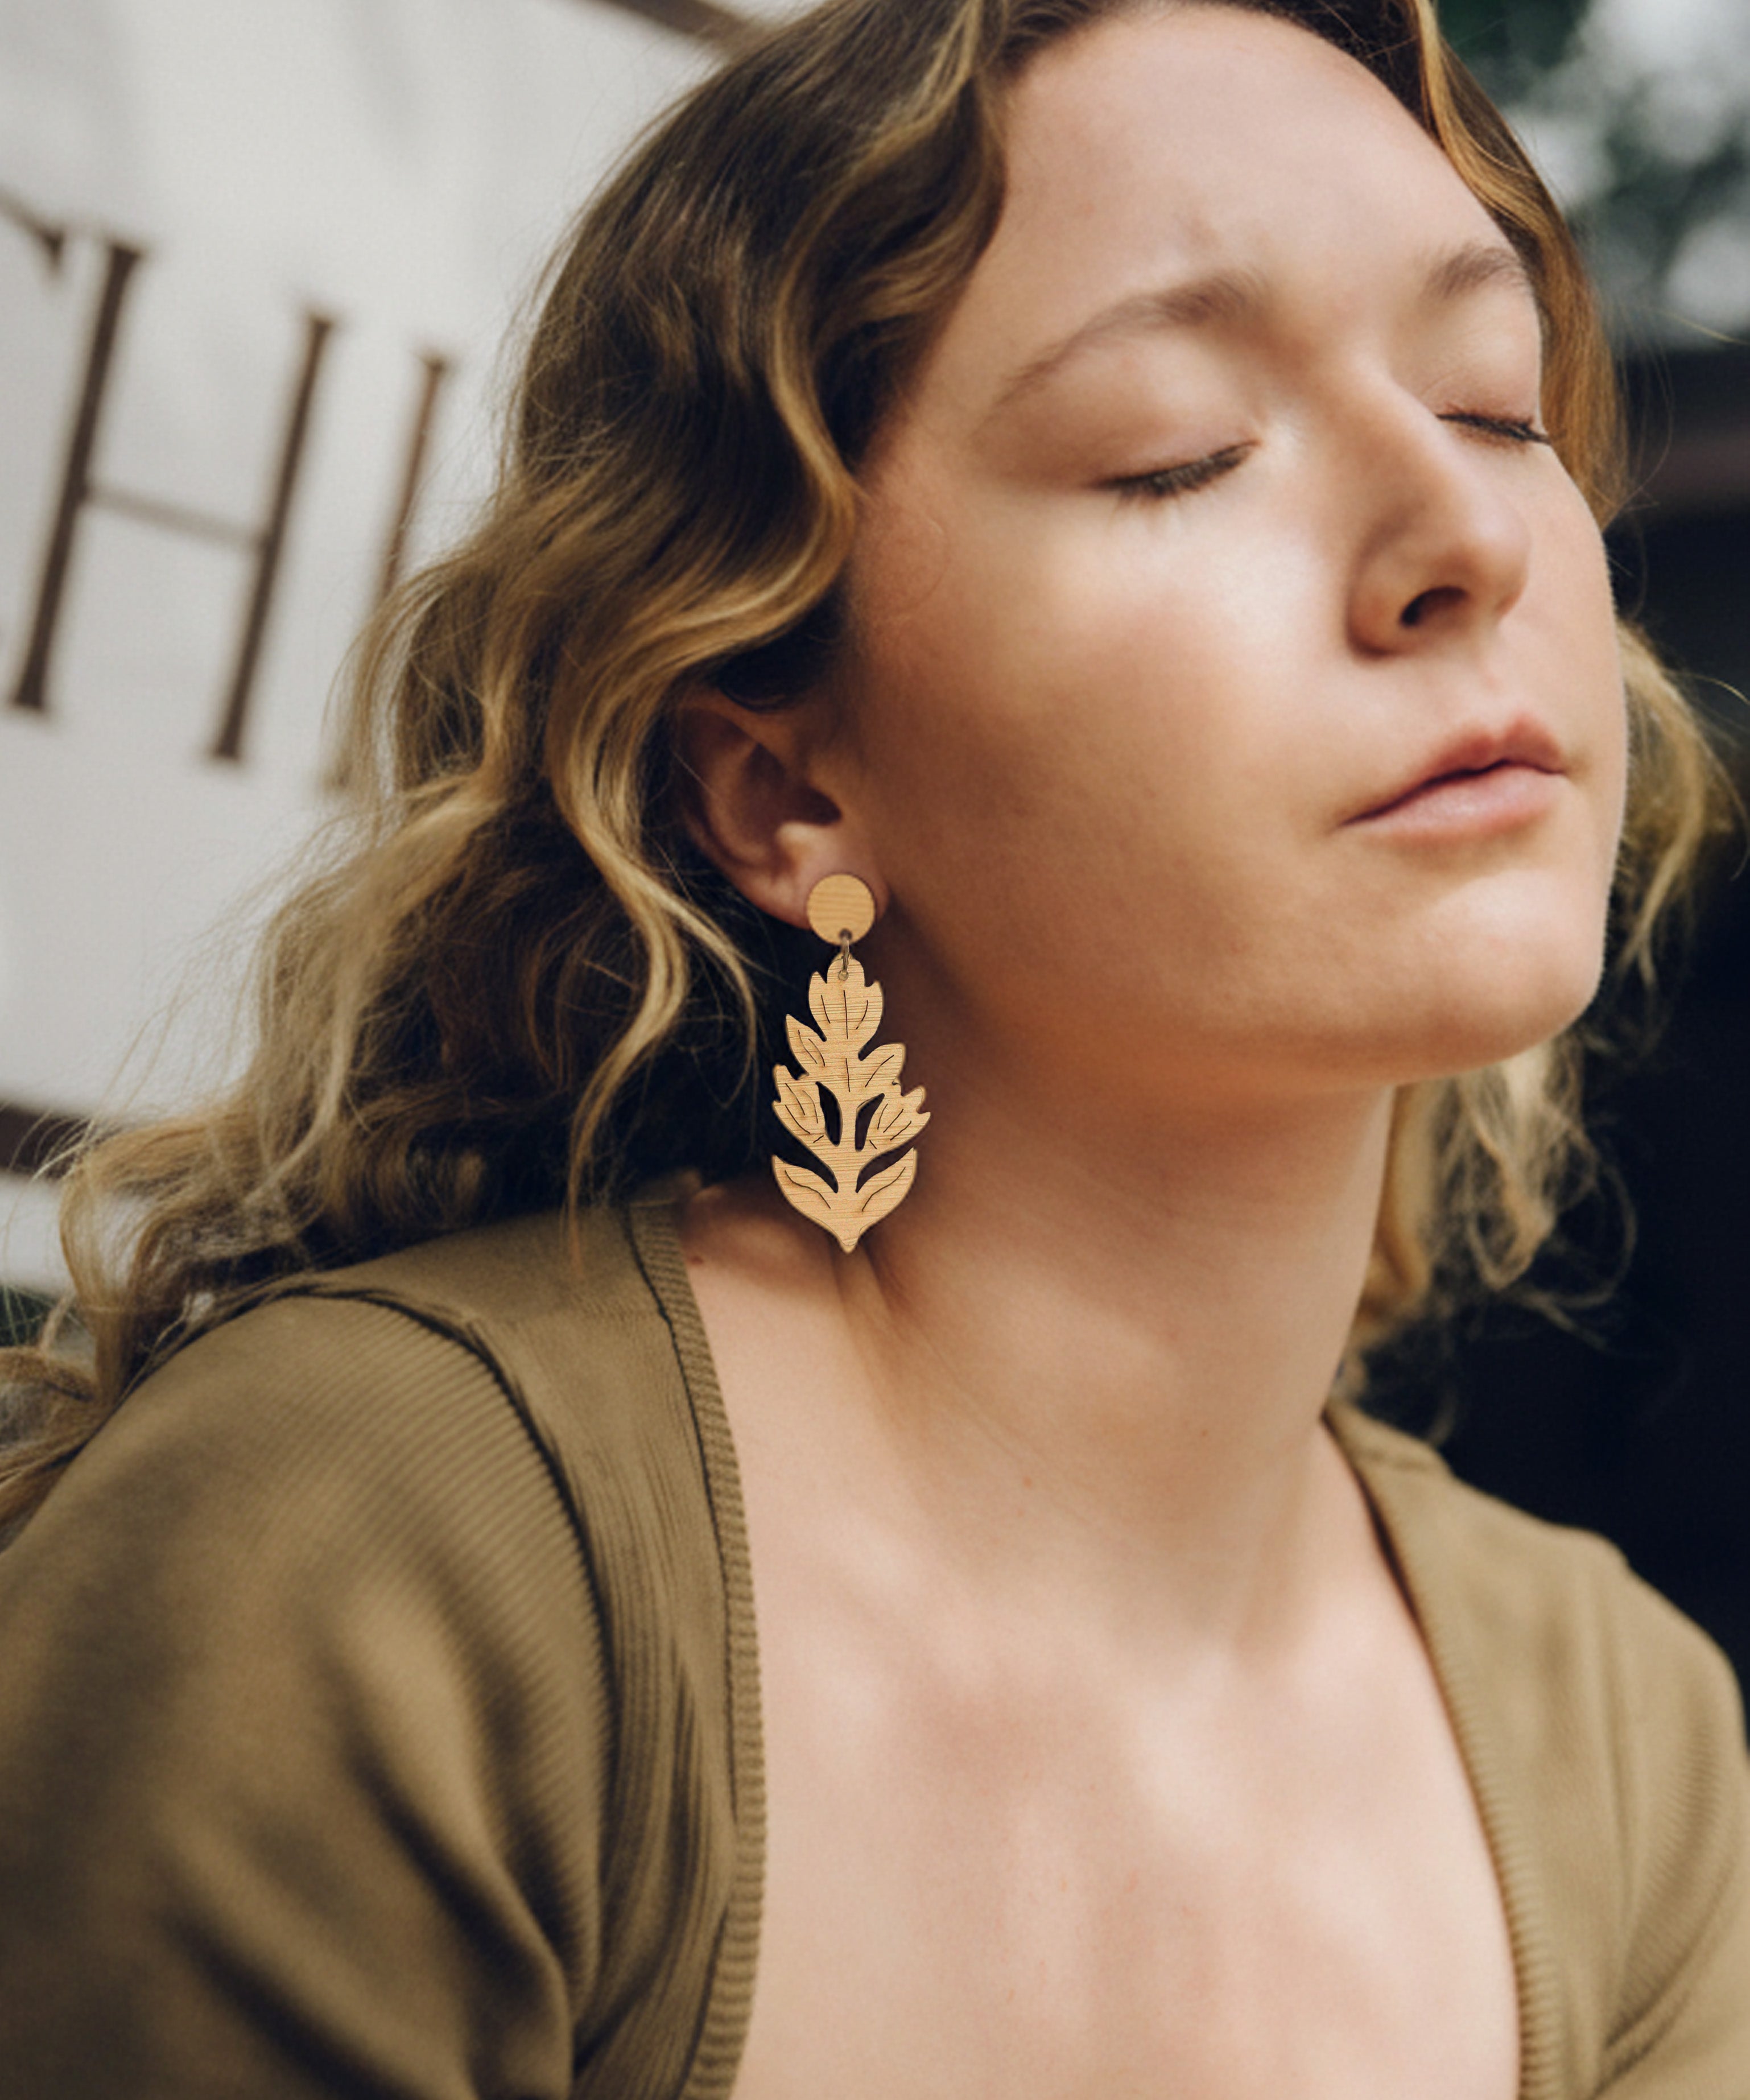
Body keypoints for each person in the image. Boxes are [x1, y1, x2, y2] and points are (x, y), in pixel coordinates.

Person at [1, 0, 1745, 2091]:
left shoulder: (1629, 1746)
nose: (1459, 539)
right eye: (1178, 447)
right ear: (776, 784)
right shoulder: (382, 1554)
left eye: (1489, 401)